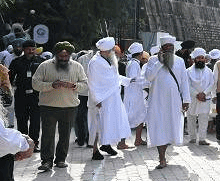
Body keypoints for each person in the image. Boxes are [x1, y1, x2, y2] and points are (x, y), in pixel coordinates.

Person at [31, 42, 88, 170]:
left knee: (65, 134)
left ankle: (61, 159)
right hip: (48, 106)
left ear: (69, 55)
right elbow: (35, 83)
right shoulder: (45, 66)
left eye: (66, 56)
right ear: (56, 55)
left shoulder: (77, 66)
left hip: (69, 107)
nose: (63, 58)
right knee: (47, 135)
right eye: (61, 56)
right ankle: (46, 161)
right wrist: (51, 85)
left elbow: (84, 83)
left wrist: (74, 86)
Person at [144, 36, 191, 169]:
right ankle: (162, 158)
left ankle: (164, 154)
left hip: (173, 101)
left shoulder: (180, 61)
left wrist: (186, 100)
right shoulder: (153, 60)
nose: (169, 49)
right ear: (162, 48)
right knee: (159, 127)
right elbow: (148, 77)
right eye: (167, 47)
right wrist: (160, 62)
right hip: (157, 101)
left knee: (170, 127)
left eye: (171, 47)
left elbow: (184, 82)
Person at [87, 37, 131, 160]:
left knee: (108, 123)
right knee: (97, 124)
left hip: (111, 99)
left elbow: (114, 77)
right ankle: (95, 151)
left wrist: (128, 81)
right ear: (106, 50)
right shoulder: (96, 62)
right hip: (100, 100)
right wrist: (97, 100)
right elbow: (93, 83)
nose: (113, 52)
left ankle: (106, 145)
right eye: (112, 49)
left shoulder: (108, 60)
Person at [9, 39, 42, 148]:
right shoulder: (16, 62)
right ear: (24, 49)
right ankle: (23, 144)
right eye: (28, 49)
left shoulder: (41, 61)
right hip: (21, 95)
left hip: (36, 96)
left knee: (35, 121)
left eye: (33, 49)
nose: (31, 51)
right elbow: (9, 79)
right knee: (22, 120)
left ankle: (35, 144)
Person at [186, 48, 215, 146]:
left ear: (204, 59)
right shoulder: (188, 71)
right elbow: (187, 85)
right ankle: (192, 137)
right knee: (191, 118)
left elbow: (212, 83)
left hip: (205, 98)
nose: (200, 60)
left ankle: (202, 139)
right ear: (194, 59)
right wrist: (197, 94)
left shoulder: (209, 71)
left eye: (202, 58)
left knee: (204, 118)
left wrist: (204, 93)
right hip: (193, 98)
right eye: (198, 58)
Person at [123, 43, 148, 146]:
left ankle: (138, 139)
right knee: (128, 118)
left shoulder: (132, 63)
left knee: (141, 116)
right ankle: (121, 142)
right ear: (141, 53)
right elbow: (134, 79)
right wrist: (146, 81)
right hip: (133, 95)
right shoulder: (134, 64)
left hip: (135, 94)